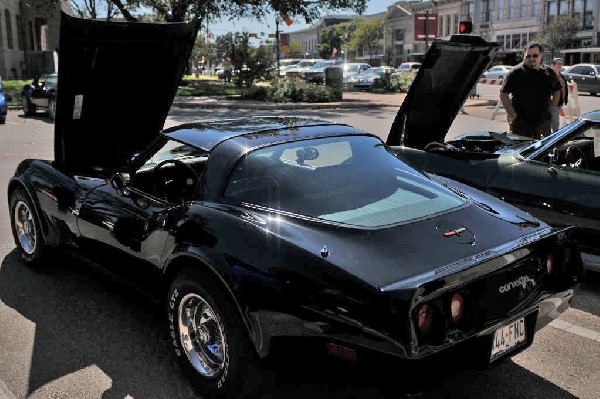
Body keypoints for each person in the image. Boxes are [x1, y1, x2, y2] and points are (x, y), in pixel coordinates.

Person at [499, 42, 561, 139]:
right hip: (521, 124)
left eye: (535, 55)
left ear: (541, 55)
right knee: (522, 152)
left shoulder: (549, 72)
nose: (531, 58)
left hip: (543, 122)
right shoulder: (516, 73)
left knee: (543, 151)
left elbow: (557, 91)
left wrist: (552, 108)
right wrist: (513, 115)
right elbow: (503, 94)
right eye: (528, 56)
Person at [550, 57, 569, 132]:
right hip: (554, 103)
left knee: (556, 120)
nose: (560, 65)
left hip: (561, 102)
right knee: (555, 121)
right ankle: (555, 138)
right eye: (558, 64)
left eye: (561, 64)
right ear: (552, 65)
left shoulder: (561, 76)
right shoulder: (550, 76)